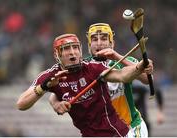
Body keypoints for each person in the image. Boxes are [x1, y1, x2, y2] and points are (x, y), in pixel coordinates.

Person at [16, 33, 153, 137]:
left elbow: (123, 75)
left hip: (115, 133)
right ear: (57, 54)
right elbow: (21, 104)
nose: (72, 52)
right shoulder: (50, 76)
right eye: (66, 49)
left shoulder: (93, 68)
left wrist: (139, 67)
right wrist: (44, 87)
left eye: (75, 47)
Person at [49, 23, 152, 137]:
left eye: (104, 38)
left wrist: (118, 57)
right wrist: (56, 104)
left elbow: (148, 79)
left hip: (131, 126)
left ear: (111, 43)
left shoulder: (124, 61)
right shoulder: (82, 67)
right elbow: (57, 92)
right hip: (106, 131)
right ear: (89, 45)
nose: (99, 43)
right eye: (94, 39)